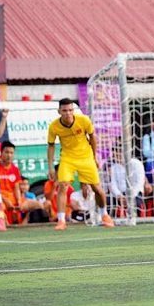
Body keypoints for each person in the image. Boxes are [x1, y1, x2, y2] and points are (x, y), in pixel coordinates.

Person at [47, 98, 115, 230]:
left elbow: (92, 138)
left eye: (70, 110)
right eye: (65, 110)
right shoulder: (54, 126)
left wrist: (94, 158)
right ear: (59, 111)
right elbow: (50, 146)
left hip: (86, 157)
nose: (68, 113)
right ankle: (61, 221)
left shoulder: (84, 120)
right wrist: (50, 167)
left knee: (96, 189)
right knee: (62, 186)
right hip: (67, 158)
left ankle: (104, 214)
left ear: (73, 110)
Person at [109, 145, 149, 217]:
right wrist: (119, 196)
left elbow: (139, 183)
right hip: (120, 194)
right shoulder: (114, 167)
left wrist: (130, 196)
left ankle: (139, 221)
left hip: (135, 193)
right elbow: (113, 184)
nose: (117, 155)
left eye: (119, 153)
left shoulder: (137, 164)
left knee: (137, 203)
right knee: (108, 201)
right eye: (115, 154)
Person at [0, 141, 24, 225]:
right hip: (0, 198)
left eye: (11, 153)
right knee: (0, 208)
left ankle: (25, 227)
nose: (9, 155)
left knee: (37, 205)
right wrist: (5, 200)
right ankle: (7, 228)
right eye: (7, 152)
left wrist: (19, 200)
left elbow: (16, 187)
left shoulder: (15, 169)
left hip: (12, 198)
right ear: (1, 153)